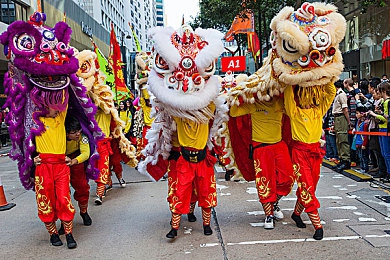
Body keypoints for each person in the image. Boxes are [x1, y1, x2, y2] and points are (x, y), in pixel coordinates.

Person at [230, 96, 294, 229]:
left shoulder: (280, 102)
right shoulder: (253, 103)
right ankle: (268, 214)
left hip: (279, 145)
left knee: (288, 178)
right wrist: (238, 95)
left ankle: (274, 203)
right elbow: (234, 112)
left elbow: (293, 108)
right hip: (261, 148)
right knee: (264, 182)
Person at [284, 83, 336, 240]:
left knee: (310, 187)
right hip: (299, 154)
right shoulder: (294, 111)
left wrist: (322, 77)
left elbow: (331, 91)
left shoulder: (318, 110)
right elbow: (288, 95)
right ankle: (317, 226)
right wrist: (291, 78)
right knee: (306, 186)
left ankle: (296, 213)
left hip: (315, 154)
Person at [33, 106, 77, 249]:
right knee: (46, 201)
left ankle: (69, 233)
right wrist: (30, 159)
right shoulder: (35, 118)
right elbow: (23, 139)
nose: (58, 108)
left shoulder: (60, 116)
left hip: (61, 166)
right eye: (53, 105)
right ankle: (53, 233)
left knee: (64, 199)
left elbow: (65, 91)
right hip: (43, 167)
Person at [368, 81, 390, 182]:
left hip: (385, 128)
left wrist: (375, 114)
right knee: (383, 153)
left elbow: (386, 118)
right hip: (381, 128)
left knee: (386, 153)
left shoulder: (387, 102)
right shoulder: (384, 102)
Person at [332, 80, 351, 172]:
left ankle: (346, 160)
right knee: (338, 139)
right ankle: (341, 159)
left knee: (343, 138)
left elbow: (345, 109)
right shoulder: (337, 94)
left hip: (341, 117)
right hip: (337, 117)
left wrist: (348, 121)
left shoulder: (341, 94)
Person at [354, 107, 369, 173]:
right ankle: (362, 167)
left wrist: (364, 144)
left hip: (362, 142)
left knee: (364, 156)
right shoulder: (358, 122)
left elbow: (365, 135)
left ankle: (365, 168)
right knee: (360, 156)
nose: (356, 115)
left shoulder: (365, 124)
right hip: (358, 141)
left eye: (357, 113)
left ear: (362, 114)